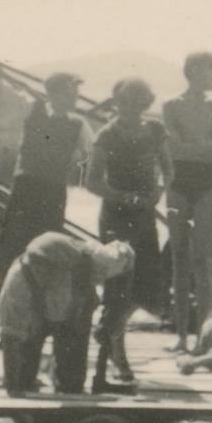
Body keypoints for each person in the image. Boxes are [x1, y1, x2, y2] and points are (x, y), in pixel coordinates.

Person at [85, 78, 171, 388]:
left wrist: (159, 190)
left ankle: (111, 335)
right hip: (116, 217)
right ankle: (115, 354)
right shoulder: (107, 135)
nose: (131, 109)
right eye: (125, 103)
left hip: (144, 215)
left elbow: (168, 169)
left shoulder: (155, 130)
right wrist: (122, 197)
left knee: (146, 288)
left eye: (137, 103)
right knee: (118, 288)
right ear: (117, 103)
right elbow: (91, 181)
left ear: (145, 104)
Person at [0, 232, 133, 396]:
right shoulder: (18, 288)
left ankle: (66, 379)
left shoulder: (90, 262)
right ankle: (30, 378)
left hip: (68, 312)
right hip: (35, 314)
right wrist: (13, 386)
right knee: (22, 377)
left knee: (71, 384)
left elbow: (119, 254)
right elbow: (10, 337)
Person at [0, 72, 93, 293]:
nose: (74, 97)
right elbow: (2, 87)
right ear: (53, 93)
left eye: (76, 93)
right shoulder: (31, 109)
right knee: (13, 245)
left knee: (48, 247)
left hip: (53, 192)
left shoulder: (79, 124)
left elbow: (91, 154)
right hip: (25, 188)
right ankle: (6, 299)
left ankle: (41, 303)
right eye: (69, 93)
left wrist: (77, 165)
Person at [161, 51, 212, 351]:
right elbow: (172, 149)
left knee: (202, 259)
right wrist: (203, 147)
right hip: (179, 182)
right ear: (195, 71)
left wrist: (194, 148)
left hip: (207, 184)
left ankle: (204, 335)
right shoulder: (171, 105)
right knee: (179, 257)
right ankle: (180, 336)